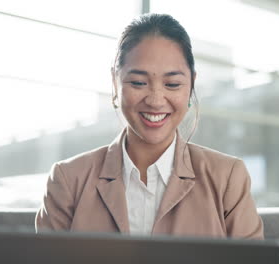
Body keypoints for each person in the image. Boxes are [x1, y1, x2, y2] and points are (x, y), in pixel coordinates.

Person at [35, 13, 264, 240]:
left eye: (172, 84)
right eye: (138, 83)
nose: (155, 100)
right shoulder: (67, 180)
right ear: (115, 84)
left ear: (191, 85)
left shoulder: (227, 178)